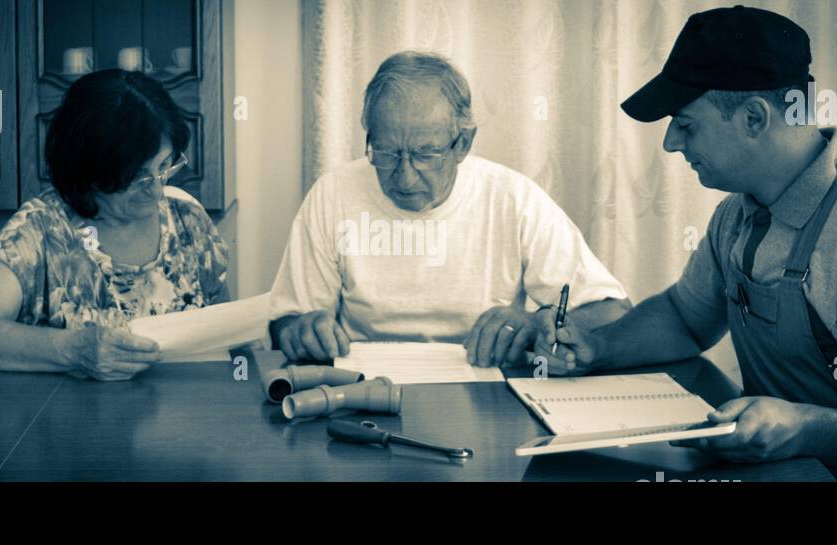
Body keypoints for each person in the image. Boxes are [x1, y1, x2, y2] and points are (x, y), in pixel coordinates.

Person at [536, 6, 837, 480]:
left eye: (686, 124)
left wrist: (805, 428)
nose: (670, 143)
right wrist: (595, 346)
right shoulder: (740, 211)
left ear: (754, 118)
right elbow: (684, 319)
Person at [269, 51, 630, 366]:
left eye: (425, 154)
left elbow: (613, 311)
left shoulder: (512, 198)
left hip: (485, 386)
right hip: (363, 386)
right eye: (386, 152)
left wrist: (538, 323)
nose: (405, 177)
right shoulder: (332, 194)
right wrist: (300, 330)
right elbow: (286, 320)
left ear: (463, 144)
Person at [0, 70, 230, 380]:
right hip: (76, 422)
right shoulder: (40, 229)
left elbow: (227, 323)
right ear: (89, 171)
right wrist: (73, 350)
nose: (157, 190)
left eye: (164, 166)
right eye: (137, 176)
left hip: (188, 420)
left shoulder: (187, 218)